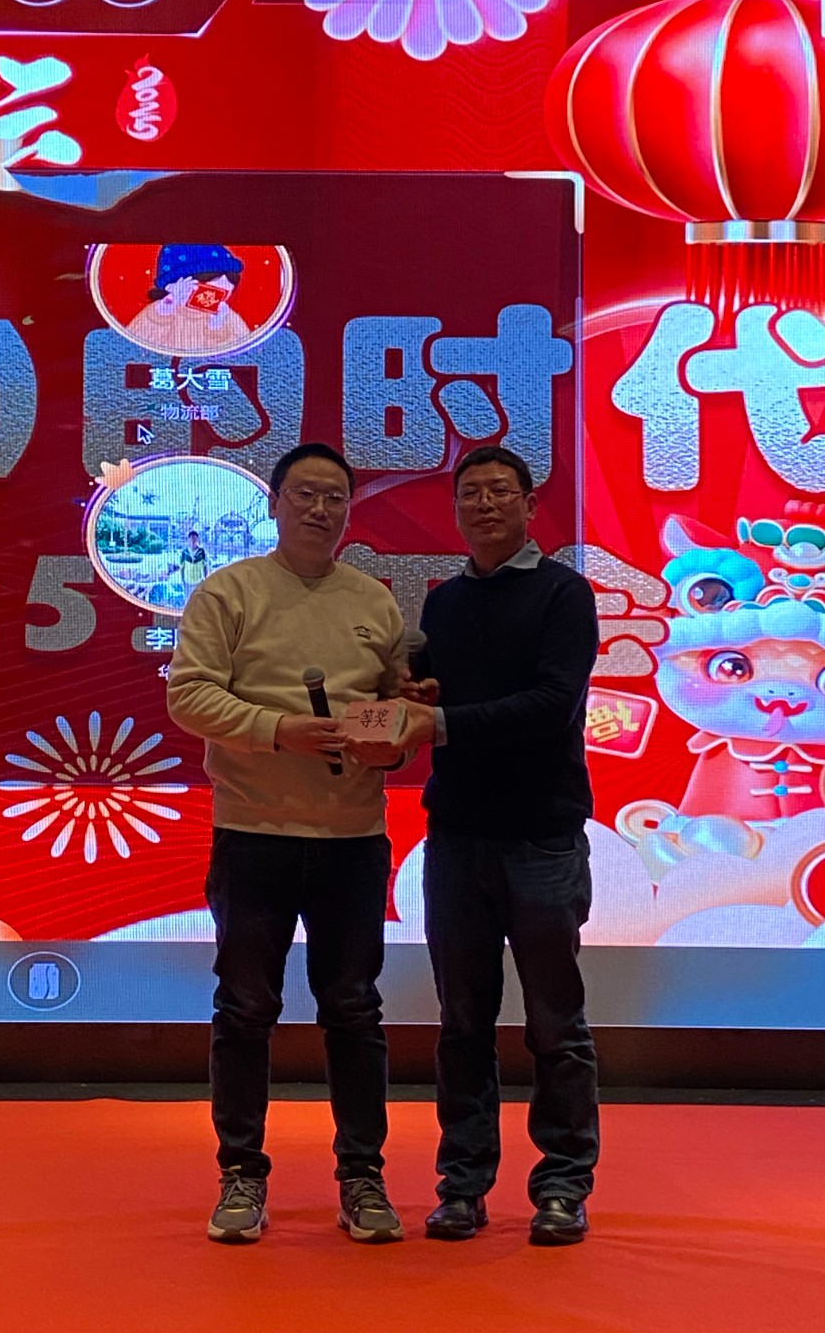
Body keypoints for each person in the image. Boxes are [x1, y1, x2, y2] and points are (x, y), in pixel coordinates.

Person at [167, 442, 407, 1246]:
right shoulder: (228, 592)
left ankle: (363, 1177)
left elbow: (384, 710)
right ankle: (241, 1174)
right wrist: (280, 730)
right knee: (245, 1009)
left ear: (349, 510)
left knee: (355, 1010)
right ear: (273, 504)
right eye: (304, 493)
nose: (319, 508)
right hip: (254, 832)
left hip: (352, 836)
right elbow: (189, 695)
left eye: (334, 496)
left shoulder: (373, 601)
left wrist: (390, 733)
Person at [405, 444, 600, 1247]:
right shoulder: (443, 603)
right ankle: (462, 1186)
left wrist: (441, 721)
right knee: (461, 1024)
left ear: (528, 504)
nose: (484, 505)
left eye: (499, 491)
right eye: (470, 494)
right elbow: (428, 696)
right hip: (456, 839)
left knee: (556, 1025)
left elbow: (554, 703)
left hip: (542, 839)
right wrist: (412, 698)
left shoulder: (564, 593)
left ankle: (562, 1186)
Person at [124, 244, 252, 354]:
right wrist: (162, 314)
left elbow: (246, 355)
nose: (213, 300)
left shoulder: (227, 317)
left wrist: (216, 329)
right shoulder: (158, 311)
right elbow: (131, 350)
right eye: (208, 291)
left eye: (223, 294)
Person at [178, 529, 209, 596]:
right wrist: (182, 581)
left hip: (199, 582)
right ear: (188, 540)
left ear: (197, 540)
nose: (193, 541)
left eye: (194, 539)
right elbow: (182, 568)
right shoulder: (184, 552)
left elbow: (205, 566)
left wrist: (205, 579)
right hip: (188, 583)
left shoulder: (202, 552)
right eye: (191, 539)